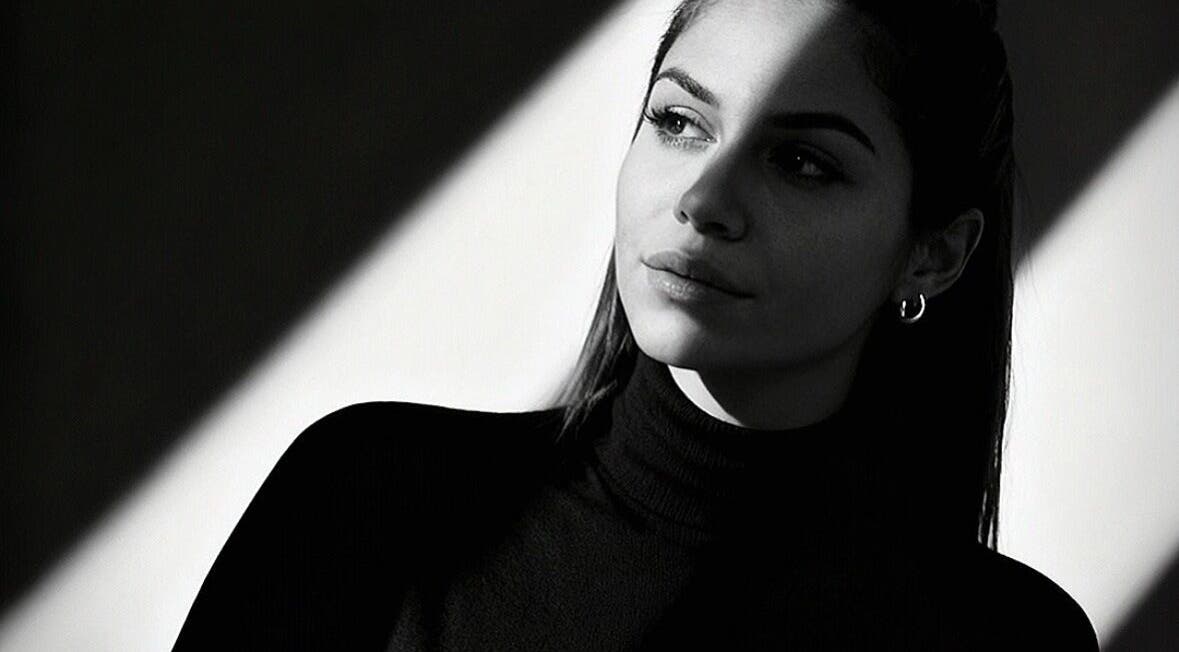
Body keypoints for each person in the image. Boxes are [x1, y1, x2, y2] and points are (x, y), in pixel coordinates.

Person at [173, 0, 1100, 649]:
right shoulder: (369, 501)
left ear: (931, 254)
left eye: (802, 164)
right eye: (680, 123)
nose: (702, 200)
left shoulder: (1004, 636)